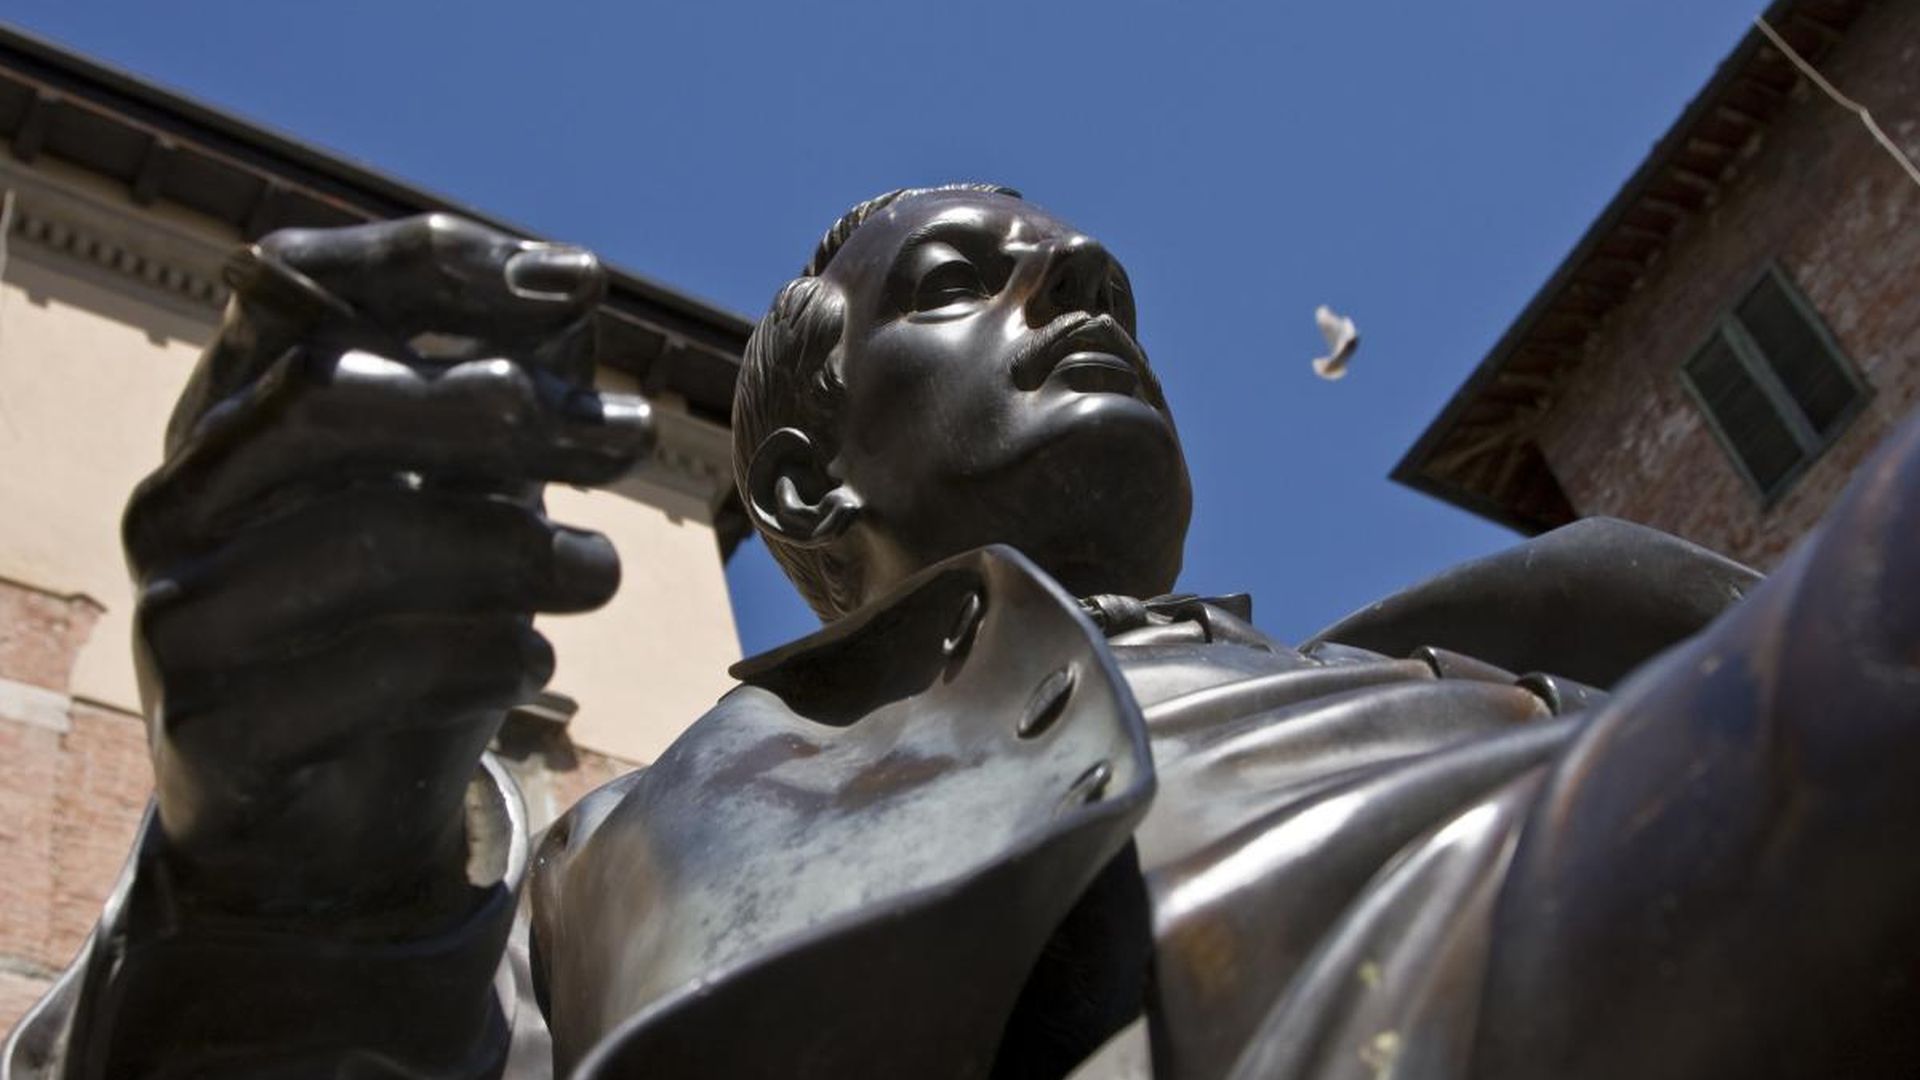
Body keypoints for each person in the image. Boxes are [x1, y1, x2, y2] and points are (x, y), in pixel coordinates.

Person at [7, 186, 1918, 1080]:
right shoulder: (634, 857)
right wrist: (273, 885)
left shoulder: (1558, 623)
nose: (1073, 280)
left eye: (1085, 273)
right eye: (956, 281)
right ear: (811, 487)